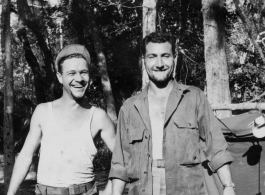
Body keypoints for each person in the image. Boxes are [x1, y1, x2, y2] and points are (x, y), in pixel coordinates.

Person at [109, 32, 236, 195]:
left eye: (166, 56)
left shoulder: (195, 98)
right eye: (152, 56)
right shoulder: (129, 108)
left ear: (174, 58)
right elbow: (120, 163)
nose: (159, 63)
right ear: (144, 61)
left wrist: (228, 186)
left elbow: (217, 147)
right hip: (144, 188)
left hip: (186, 188)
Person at [7, 44, 115, 195]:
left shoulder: (98, 116)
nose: (79, 79)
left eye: (83, 72)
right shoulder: (43, 112)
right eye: (71, 73)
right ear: (60, 77)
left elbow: (122, 159)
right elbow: (25, 157)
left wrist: (110, 192)